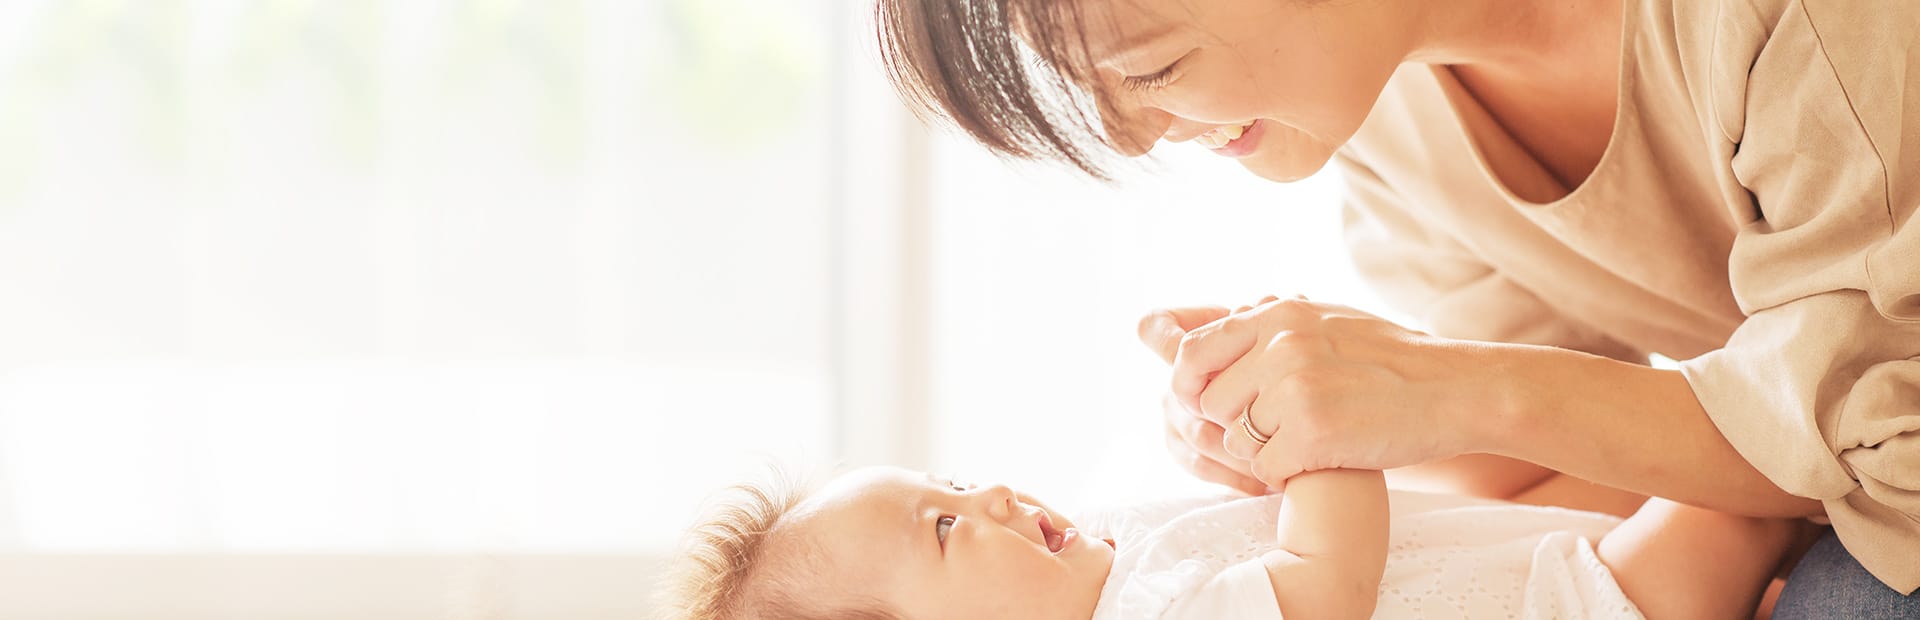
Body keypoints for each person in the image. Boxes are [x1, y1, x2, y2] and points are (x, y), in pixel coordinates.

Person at [872, 0, 1920, 614]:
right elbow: (1537, 493)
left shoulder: (1784, 24)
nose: (1137, 137)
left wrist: (1451, 388)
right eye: (1094, 100)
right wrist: (1307, 448)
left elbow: (1899, 466)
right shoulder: (1390, 130)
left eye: (1152, 71)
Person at [655, 464, 1802, 619]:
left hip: (1560, 555)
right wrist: (1320, 435)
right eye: (946, 524)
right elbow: (1324, 577)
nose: (992, 490)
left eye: (957, 477)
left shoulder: (1119, 560)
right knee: (1750, 485)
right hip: (1582, 602)